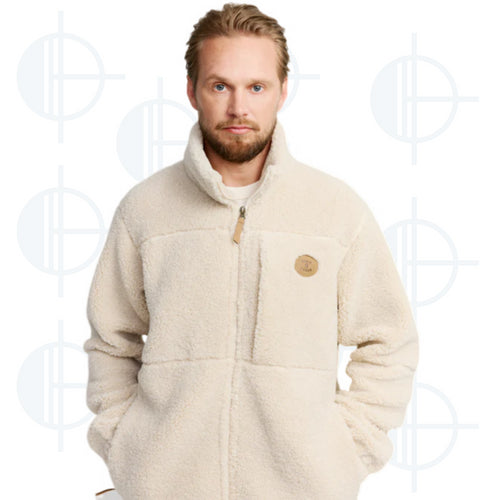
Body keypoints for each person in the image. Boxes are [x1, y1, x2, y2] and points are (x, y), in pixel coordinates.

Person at [83, 3, 419, 499]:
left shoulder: (335, 211)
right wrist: (127, 445)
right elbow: (111, 341)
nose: (239, 107)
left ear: (283, 91)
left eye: (256, 87)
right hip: (164, 487)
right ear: (192, 91)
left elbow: (389, 341)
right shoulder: (145, 211)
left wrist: (347, 451)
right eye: (220, 86)